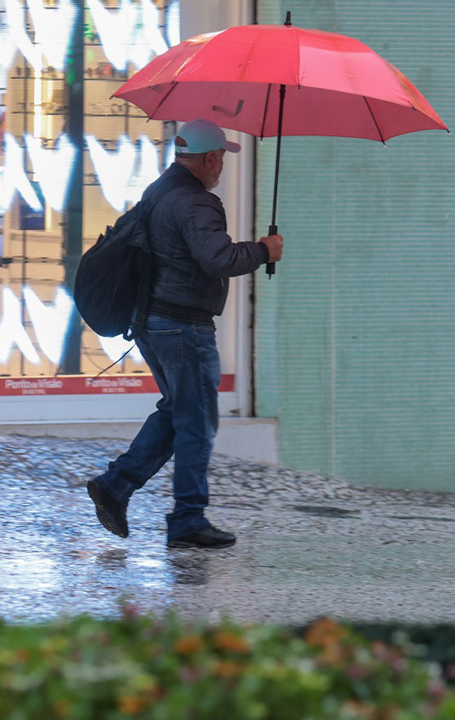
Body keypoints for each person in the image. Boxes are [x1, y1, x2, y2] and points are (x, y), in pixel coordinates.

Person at [86, 119, 284, 550]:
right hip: (182, 326)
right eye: (221, 159)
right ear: (211, 158)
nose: (222, 168)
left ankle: (116, 485)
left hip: (153, 321)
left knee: (179, 411)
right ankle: (187, 519)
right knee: (196, 423)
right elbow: (217, 258)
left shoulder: (161, 191)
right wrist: (263, 251)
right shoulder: (197, 202)